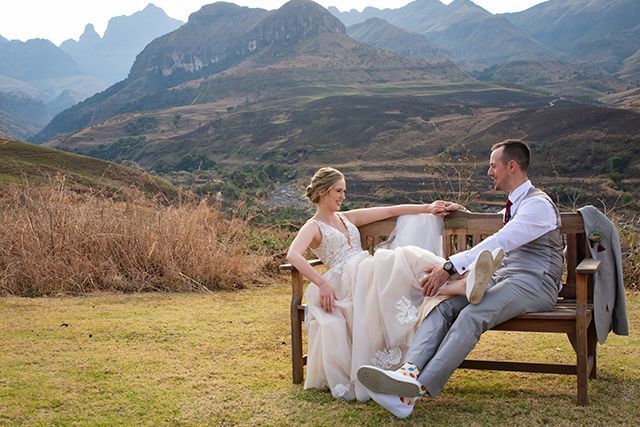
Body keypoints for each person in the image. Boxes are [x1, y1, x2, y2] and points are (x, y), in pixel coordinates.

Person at [357, 139, 564, 418]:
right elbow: (505, 225)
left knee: (472, 314)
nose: (489, 171)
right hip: (507, 276)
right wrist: (463, 213)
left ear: (511, 166)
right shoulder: (517, 204)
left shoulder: (537, 205)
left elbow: (503, 239)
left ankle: (412, 393)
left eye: (493, 165)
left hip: (535, 282)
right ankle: (409, 370)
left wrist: (450, 265)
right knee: (443, 306)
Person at [286, 167, 503, 401]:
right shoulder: (313, 226)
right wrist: (321, 283)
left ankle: (462, 283)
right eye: (338, 191)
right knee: (403, 258)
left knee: (405, 261)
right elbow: (293, 255)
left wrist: (427, 209)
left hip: (366, 271)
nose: (343, 196)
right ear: (323, 191)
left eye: (344, 191)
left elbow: (391, 209)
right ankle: (463, 278)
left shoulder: (346, 218)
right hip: (347, 282)